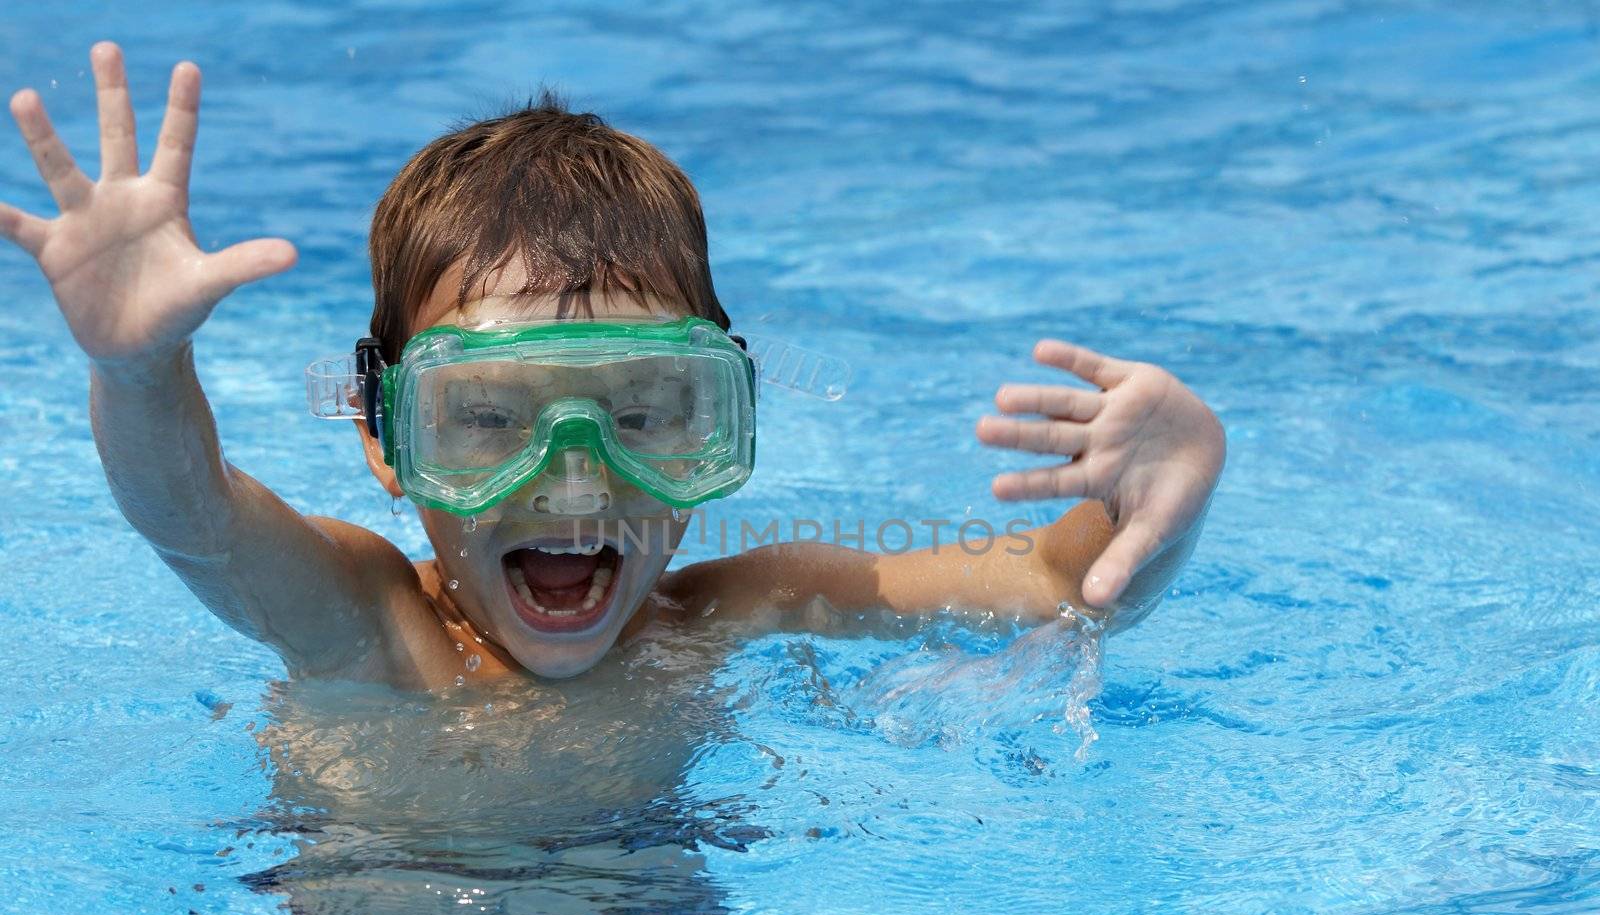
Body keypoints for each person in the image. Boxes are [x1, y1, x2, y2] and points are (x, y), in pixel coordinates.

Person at [0, 42, 1226, 690]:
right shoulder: (368, 623)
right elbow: (191, 519)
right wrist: (142, 370)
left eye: (644, 413)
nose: (574, 479)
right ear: (384, 436)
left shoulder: (728, 614)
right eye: (485, 419)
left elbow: (1066, 592)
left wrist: (1163, 492)